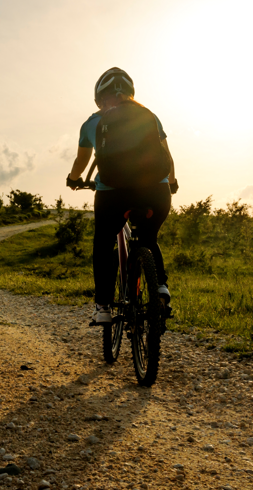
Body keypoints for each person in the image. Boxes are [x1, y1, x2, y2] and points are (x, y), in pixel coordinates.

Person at [65, 67, 177, 324]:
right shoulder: (150, 117)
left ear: (101, 99)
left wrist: (73, 180)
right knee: (149, 236)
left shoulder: (92, 123)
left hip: (113, 196)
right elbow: (167, 158)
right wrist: (171, 182)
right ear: (130, 95)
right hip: (156, 193)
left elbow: (81, 163)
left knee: (104, 243)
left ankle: (103, 306)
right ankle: (160, 289)